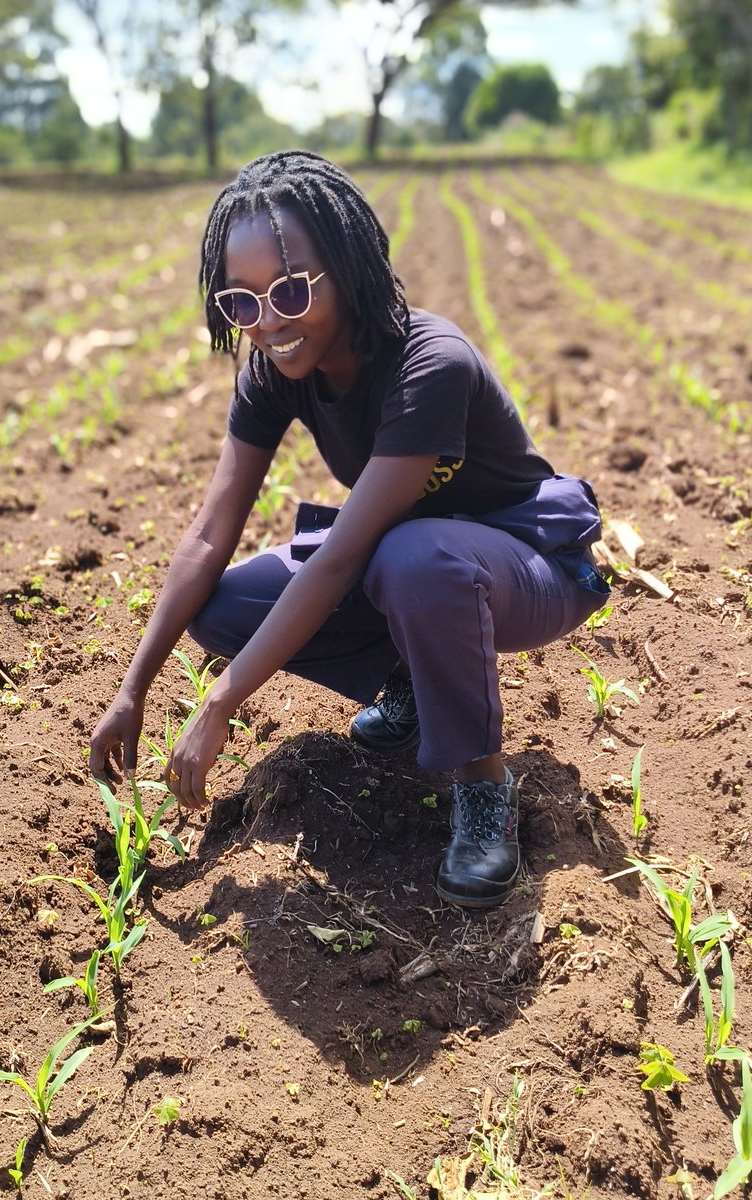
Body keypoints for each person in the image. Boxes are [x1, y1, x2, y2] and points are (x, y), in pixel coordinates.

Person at [89, 150, 608, 909]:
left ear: (349, 266)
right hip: (405, 561)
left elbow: (338, 564)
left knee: (414, 556)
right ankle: (411, 685)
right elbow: (209, 533)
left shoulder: (429, 363)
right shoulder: (270, 372)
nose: (268, 323)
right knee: (225, 608)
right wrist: (134, 688)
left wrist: (221, 703)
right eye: (243, 302)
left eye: (292, 291)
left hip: (526, 564)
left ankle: (481, 785)